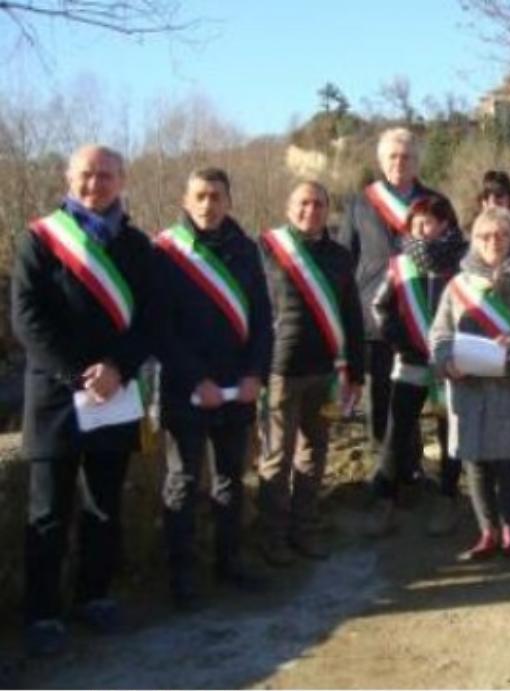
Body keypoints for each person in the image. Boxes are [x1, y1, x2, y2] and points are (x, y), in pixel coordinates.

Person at [12, 144, 157, 655]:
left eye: (106, 175)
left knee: (104, 504)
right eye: (86, 175)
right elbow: (27, 319)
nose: (95, 184)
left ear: (122, 180)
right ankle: (43, 612)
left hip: (114, 393)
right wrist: (80, 373)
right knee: (49, 508)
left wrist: (118, 369)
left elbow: (150, 321)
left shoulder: (138, 246)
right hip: (55, 395)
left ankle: (94, 596)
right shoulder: (39, 239)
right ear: (68, 178)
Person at [153, 168, 274, 609]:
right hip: (187, 390)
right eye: (200, 196)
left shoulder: (244, 249)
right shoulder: (165, 252)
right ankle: (181, 577)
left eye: (217, 196)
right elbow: (160, 329)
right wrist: (195, 379)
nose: (208, 205)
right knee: (183, 482)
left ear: (229, 200)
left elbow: (262, 318)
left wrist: (255, 373)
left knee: (230, 480)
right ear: (186, 200)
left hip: (237, 386)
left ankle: (230, 561)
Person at [431, 208, 510, 559]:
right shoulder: (457, 286)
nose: (493, 242)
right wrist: (446, 362)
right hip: (468, 390)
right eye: (485, 236)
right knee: (476, 464)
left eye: (501, 235)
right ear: (474, 240)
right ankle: (487, 532)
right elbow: (439, 334)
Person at [259, 181, 365, 566]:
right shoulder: (268, 249)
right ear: (289, 207)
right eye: (303, 203)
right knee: (276, 456)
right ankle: (272, 538)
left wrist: (357, 371)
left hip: (327, 372)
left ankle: (304, 529)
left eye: (319, 203)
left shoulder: (339, 255)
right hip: (280, 371)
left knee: (313, 453)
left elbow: (352, 315)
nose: (311, 210)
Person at [337, 128, 449, 480]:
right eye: (392, 157)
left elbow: (452, 252)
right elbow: (345, 258)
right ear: (381, 161)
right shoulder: (360, 203)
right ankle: (385, 474)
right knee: (382, 400)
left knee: (420, 401)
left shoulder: (435, 202)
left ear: (417, 161)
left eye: (407, 157)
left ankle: (415, 468)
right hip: (377, 317)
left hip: (425, 317)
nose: (400, 163)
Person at [371, 194, 468, 536]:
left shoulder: (463, 261)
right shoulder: (400, 265)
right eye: (417, 223)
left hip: (451, 364)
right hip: (411, 361)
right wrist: (400, 342)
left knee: (450, 433)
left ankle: (448, 498)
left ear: (446, 223)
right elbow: (380, 307)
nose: (423, 229)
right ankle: (387, 501)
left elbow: (474, 308)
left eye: (430, 221)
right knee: (398, 431)